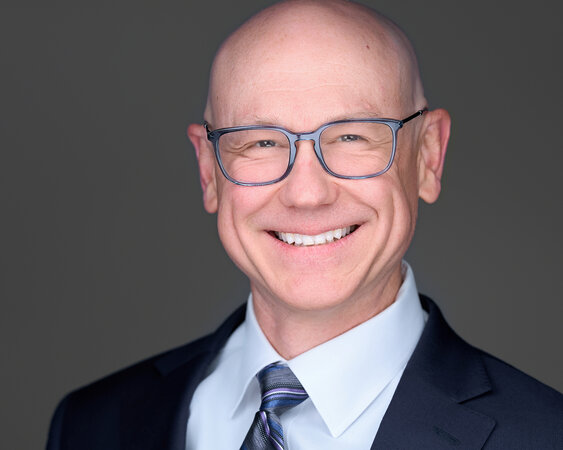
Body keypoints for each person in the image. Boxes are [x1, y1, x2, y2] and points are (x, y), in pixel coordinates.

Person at [46, 1, 562, 449]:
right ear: (208, 170)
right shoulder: (92, 425)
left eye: (353, 137)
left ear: (428, 156)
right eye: (262, 142)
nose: (307, 194)